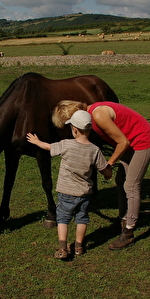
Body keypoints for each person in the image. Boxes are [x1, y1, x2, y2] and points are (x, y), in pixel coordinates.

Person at [52, 100, 150, 250]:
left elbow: (123, 142)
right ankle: (123, 220)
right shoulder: (91, 115)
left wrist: (109, 164)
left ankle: (128, 232)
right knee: (120, 180)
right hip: (129, 142)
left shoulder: (99, 115)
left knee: (131, 185)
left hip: (142, 141)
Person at [27, 110, 111, 259]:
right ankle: (78, 246)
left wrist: (36, 142)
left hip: (66, 193)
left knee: (63, 219)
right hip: (85, 194)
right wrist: (108, 173)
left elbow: (48, 147)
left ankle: (62, 248)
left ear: (74, 129)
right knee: (82, 219)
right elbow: (105, 171)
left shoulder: (66, 145)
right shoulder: (95, 150)